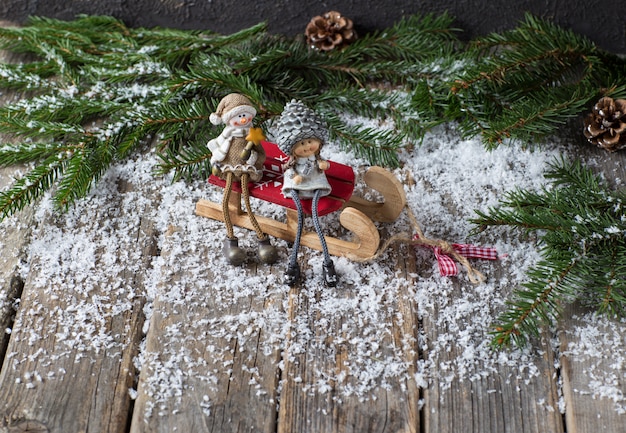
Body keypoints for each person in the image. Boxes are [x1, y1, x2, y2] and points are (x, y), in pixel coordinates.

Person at [207, 93, 277, 265]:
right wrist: (216, 162)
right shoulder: (226, 136)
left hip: (247, 169)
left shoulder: (253, 136)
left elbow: (262, 155)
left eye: (246, 115)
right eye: (239, 116)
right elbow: (218, 149)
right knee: (225, 202)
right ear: (229, 118)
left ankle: (262, 240)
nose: (243, 120)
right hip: (229, 169)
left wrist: (253, 158)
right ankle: (230, 239)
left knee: (247, 202)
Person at [274, 100, 338, 287]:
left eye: (310, 141)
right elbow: (288, 169)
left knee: (316, 218)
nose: (307, 146)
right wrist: (294, 177)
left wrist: (323, 165)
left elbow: (322, 164)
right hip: (297, 182)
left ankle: (327, 263)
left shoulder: (314, 157)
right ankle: (292, 263)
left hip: (316, 181)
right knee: (301, 215)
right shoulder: (294, 161)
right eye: (302, 143)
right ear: (292, 147)